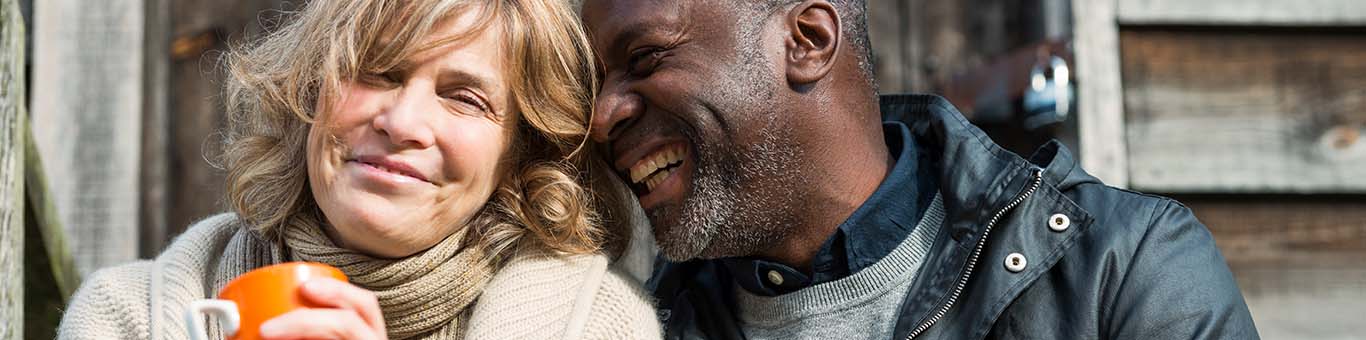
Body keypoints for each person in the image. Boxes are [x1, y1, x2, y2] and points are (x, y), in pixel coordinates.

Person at [579, 0, 1260, 339]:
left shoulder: (1122, 269)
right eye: (594, 85)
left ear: (806, 42)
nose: (603, 115)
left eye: (644, 59)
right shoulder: (635, 326)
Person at [58, 0, 661, 339]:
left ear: (519, 159)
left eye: (464, 97)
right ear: (309, 93)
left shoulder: (598, 329)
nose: (402, 122)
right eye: (377, 72)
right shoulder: (129, 315)